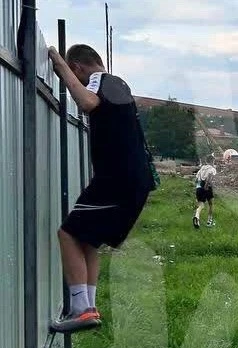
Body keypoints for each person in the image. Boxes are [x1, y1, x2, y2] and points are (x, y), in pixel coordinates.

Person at [47, 43, 154, 333]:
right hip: (131, 180)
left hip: (117, 179)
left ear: (79, 67)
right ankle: (88, 308)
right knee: (87, 240)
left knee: (67, 233)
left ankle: (81, 309)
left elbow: (88, 103)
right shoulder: (119, 85)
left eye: (75, 74)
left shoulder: (100, 80)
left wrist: (59, 65)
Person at [193, 161, 217, 228]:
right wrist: (207, 186)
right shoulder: (212, 169)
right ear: (212, 161)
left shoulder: (201, 169)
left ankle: (196, 216)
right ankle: (209, 221)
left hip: (199, 187)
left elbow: (196, 180)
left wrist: (199, 187)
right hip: (207, 187)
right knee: (211, 204)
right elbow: (209, 177)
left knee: (200, 205)